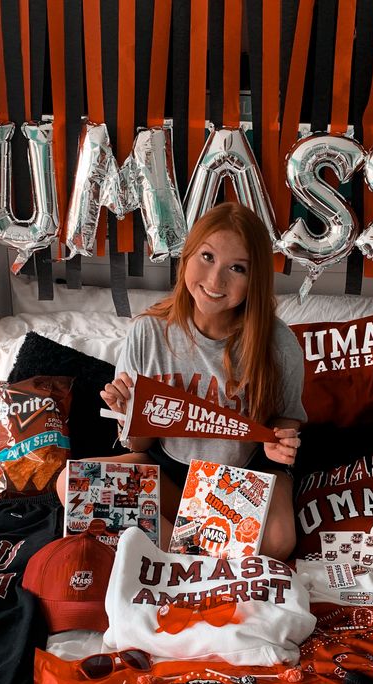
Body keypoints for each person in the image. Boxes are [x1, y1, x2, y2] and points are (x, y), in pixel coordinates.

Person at [58, 202, 306, 560]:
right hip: (171, 472)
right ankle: (193, 552)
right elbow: (137, 443)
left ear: (256, 279)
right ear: (186, 256)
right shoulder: (148, 332)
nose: (215, 280)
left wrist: (279, 443)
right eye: (207, 257)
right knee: (70, 484)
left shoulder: (279, 345)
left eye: (237, 268)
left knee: (280, 540)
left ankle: (169, 549)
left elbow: (287, 418)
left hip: (244, 477)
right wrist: (128, 412)